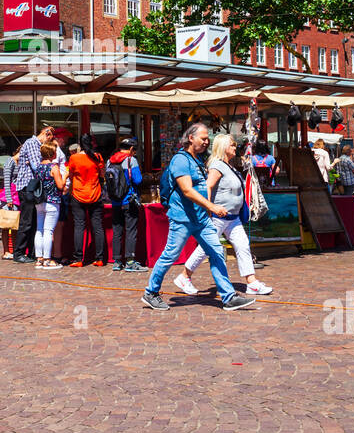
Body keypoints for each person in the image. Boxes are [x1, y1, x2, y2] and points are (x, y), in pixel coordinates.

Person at [142, 123, 255, 311]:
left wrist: (207, 210)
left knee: (216, 252)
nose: (206, 142)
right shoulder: (181, 160)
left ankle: (228, 297)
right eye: (203, 138)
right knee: (171, 254)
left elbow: (203, 188)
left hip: (201, 219)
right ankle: (151, 292)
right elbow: (186, 190)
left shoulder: (198, 160)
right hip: (183, 218)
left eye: (207, 139)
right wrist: (212, 206)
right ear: (190, 138)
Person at [177, 134, 272, 296]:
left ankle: (252, 282)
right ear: (223, 147)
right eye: (232, 145)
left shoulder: (230, 166)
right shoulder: (217, 166)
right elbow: (208, 186)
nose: (235, 147)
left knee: (242, 246)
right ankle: (185, 276)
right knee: (206, 248)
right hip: (218, 216)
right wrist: (209, 207)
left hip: (232, 217)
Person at [12, 124, 54, 264]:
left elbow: (36, 164)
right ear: (45, 134)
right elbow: (37, 167)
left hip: (32, 187)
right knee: (27, 221)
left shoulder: (36, 146)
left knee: (33, 222)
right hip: (27, 186)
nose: (46, 144)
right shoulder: (31, 143)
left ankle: (30, 252)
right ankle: (18, 253)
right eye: (48, 140)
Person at [65, 134, 106, 267]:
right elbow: (102, 175)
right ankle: (99, 258)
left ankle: (78, 259)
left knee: (79, 227)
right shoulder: (98, 157)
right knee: (98, 227)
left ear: (80, 145)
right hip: (95, 194)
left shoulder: (74, 158)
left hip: (78, 195)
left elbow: (70, 176)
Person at [107, 138, 145, 272]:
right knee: (131, 230)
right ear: (130, 149)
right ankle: (130, 261)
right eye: (134, 150)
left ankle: (117, 261)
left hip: (115, 201)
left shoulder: (110, 161)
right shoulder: (131, 160)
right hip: (129, 200)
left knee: (117, 230)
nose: (134, 153)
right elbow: (138, 179)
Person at [33, 141, 66, 269]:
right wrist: (66, 176)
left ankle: (39, 259)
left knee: (39, 230)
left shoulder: (38, 167)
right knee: (48, 231)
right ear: (52, 154)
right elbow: (60, 185)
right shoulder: (54, 167)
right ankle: (47, 259)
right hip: (52, 202)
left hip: (39, 201)